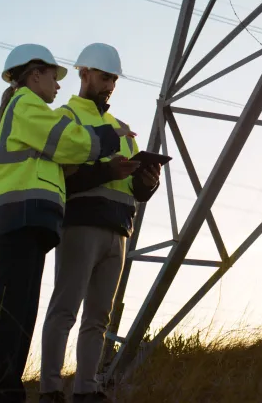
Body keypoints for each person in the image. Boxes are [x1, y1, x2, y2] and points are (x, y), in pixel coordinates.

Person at [0, 43, 134, 403]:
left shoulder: (30, 109)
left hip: (29, 220)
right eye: (54, 76)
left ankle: (9, 390)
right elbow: (68, 145)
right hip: (19, 217)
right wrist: (110, 140)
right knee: (14, 312)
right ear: (35, 75)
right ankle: (5, 392)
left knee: (19, 312)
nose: (58, 84)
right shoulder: (27, 105)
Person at [38, 43, 161, 403]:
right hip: (80, 226)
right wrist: (108, 169)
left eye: (114, 80)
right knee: (65, 309)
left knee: (99, 319)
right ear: (84, 74)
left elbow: (130, 187)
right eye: (105, 77)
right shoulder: (66, 118)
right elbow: (66, 177)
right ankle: (49, 389)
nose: (110, 85)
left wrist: (145, 182)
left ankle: (86, 389)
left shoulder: (118, 128)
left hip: (119, 231)